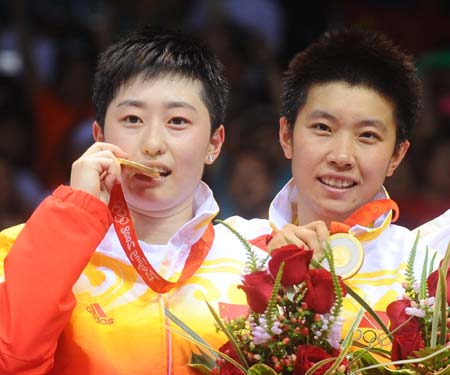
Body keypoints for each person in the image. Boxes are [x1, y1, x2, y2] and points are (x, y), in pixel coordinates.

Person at [0, 26, 267, 374]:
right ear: (99, 136)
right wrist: (73, 215)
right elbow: (12, 359)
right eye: (132, 119)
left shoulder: (260, 255)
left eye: (177, 121)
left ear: (214, 144)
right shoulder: (21, 248)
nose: (152, 143)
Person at [247, 28, 448, 350]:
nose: (341, 156)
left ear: (397, 155)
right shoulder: (227, 252)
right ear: (286, 136)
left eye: (367, 135)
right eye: (322, 128)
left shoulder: (427, 269)